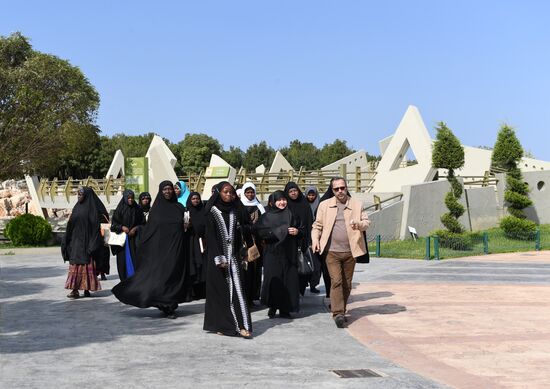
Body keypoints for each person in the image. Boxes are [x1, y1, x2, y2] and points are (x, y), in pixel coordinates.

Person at [112, 181, 189, 319]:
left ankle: (171, 303)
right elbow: (149, 230)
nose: (167, 192)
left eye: (169, 189)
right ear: (160, 191)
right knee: (161, 277)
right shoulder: (156, 210)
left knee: (174, 276)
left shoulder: (179, 208)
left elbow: (185, 227)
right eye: (164, 189)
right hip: (159, 251)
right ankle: (166, 306)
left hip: (176, 250)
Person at [311, 177, 370, 328]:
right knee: (336, 281)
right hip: (331, 252)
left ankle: (341, 310)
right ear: (332, 190)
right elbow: (317, 226)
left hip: (351, 251)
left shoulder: (357, 205)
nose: (340, 191)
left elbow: (366, 222)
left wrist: (359, 224)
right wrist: (315, 240)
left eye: (342, 188)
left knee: (347, 284)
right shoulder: (324, 205)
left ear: (346, 187)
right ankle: (338, 313)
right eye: (336, 189)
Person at [203, 181, 253, 339]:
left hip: (234, 257)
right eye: (225, 192)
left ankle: (243, 325)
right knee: (220, 294)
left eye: (231, 193)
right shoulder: (212, 211)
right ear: (218, 193)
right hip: (217, 259)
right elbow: (210, 236)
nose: (229, 195)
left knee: (238, 291)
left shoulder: (235, 210)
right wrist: (219, 257)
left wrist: (243, 251)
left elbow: (243, 229)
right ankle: (222, 325)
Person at [254, 190, 301, 318]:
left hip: (289, 253)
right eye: (279, 200)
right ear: (273, 202)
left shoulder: (292, 214)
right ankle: (273, 306)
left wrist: (297, 231)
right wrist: (277, 232)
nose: (282, 202)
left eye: (284, 199)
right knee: (274, 280)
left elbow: (302, 230)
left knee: (288, 280)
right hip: (272, 253)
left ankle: (286, 309)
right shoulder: (266, 216)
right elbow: (259, 232)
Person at [61, 187, 109, 298]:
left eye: (81, 194)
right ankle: (75, 290)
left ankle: (86, 288)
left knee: (86, 267)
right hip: (76, 243)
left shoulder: (93, 210)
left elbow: (97, 229)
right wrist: (67, 240)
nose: (78, 196)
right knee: (75, 266)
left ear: (86, 196)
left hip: (88, 244)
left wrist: (93, 244)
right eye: (77, 194)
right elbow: (70, 225)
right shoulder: (77, 208)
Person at [284, 182, 314, 295]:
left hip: (303, 240)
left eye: (295, 191)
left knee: (304, 266)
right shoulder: (285, 204)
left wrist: (309, 238)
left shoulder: (304, 203)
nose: (293, 193)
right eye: (291, 192)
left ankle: (301, 288)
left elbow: (310, 221)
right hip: (289, 241)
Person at [110, 189, 145, 280]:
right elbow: (113, 226)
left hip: (134, 240)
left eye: (132, 198)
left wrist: (136, 228)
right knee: (123, 263)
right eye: (128, 198)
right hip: (122, 242)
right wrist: (122, 227)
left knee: (135, 261)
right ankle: (124, 281)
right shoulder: (119, 210)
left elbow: (143, 223)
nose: (130, 200)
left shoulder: (137, 209)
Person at [240, 182, 265, 306]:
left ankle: (252, 297)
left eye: (252, 192)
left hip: (257, 243)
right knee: (243, 270)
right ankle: (243, 298)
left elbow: (264, 223)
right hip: (242, 243)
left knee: (254, 270)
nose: (250, 194)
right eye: (247, 192)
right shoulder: (239, 206)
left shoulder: (259, 207)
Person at [186, 191, 207, 300]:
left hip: (202, 242)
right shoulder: (187, 212)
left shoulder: (203, 211)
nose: (195, 201)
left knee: (202, 266)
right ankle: (192, 292)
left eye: (197, 198)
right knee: (193, 264)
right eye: (193, 199)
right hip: (191, 242)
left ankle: (202, 292)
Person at [305, 186, 323, 294]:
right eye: (309, 195)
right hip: (306, 239)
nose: (311, 197)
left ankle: (313, 284)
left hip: (318, 238)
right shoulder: (303, 205)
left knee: (317, 265)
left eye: (313, 195)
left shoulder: (320, 205)